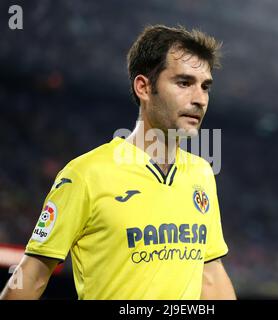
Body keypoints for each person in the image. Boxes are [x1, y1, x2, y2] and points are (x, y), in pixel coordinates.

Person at [0, 25, 236, 300]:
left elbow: (210, 274)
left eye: (205, 86)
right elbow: (32, 277)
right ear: (144, 87)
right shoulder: (86, 174)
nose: (199, 99)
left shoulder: (201, 173)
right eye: (184, 83)